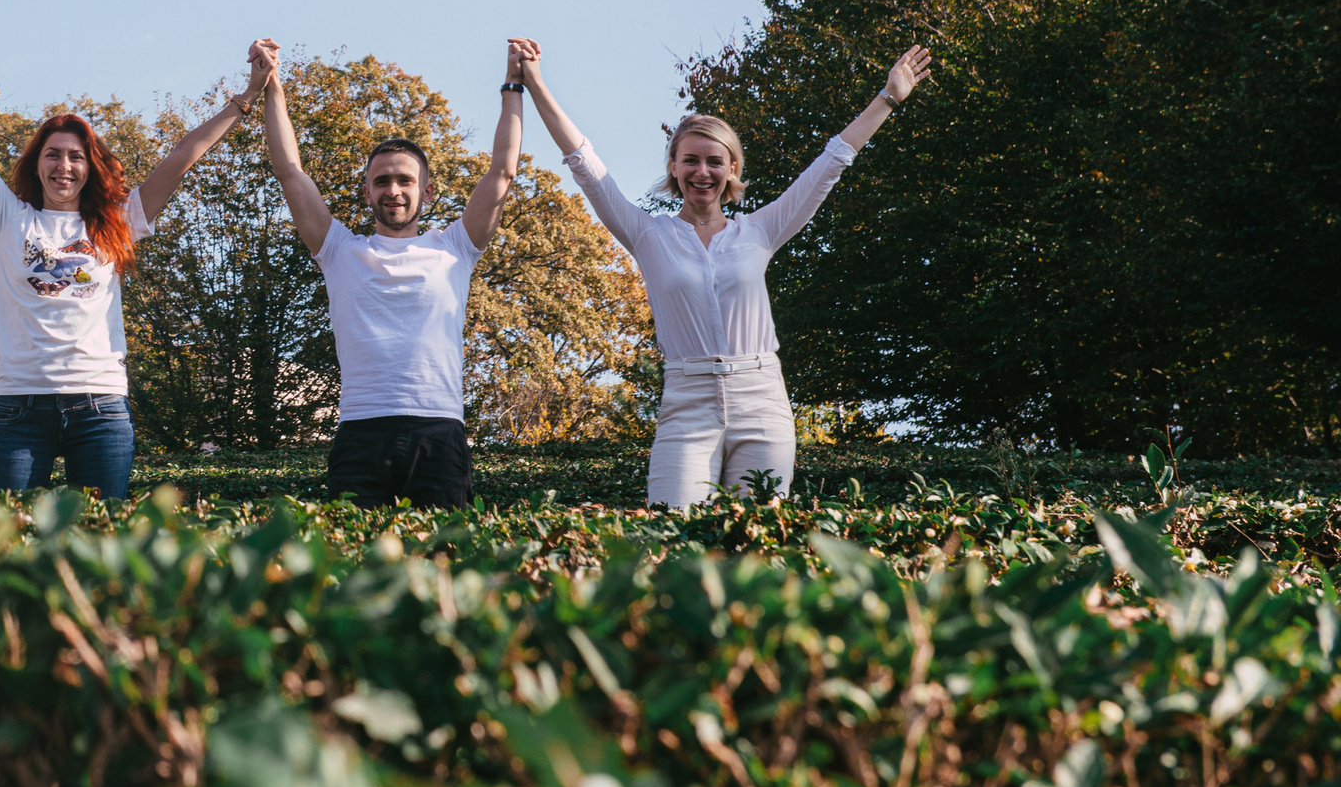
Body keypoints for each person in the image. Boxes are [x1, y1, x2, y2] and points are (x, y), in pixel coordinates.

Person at [509, 37, 933, 508]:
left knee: (760, 542)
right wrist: (536, 83)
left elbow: (830, 164)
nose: (702, 172)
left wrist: (888, 98)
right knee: (672, 532)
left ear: (732, 169)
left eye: (715, 161)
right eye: (690, 160)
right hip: (686, 403)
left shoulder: (761, 230)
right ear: (673, 167)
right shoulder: (649, 235)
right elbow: (584, 164)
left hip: (762, 400)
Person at [0, 9, 275, 502]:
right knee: (5, 542)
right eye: (53, 154)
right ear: (37, 163)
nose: (64, 166)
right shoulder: (7, 216)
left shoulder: (114, 223)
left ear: (90, 167)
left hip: (98, 406)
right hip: (17, 407)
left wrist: (248, 96)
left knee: (101, 547)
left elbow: (183, 156)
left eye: (76, 156)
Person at [260, 43, 525, 510]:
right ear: (367, 191)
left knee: (446, 566)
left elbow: (502, 173)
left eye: (405, 180)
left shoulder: (454, 248)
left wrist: (513, 86)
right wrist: (272, 86)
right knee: (352, 572)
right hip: (361, 432)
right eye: (382, 181)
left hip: (439, 432)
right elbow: (289, 171)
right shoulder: (340, 250)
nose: (394, 190)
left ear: (426, 189)